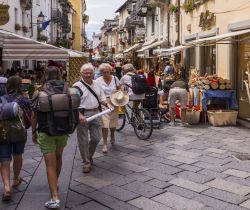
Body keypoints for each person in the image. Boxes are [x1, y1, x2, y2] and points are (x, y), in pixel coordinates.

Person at [31, 66, 69, 209]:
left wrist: (33, 131)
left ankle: (54, 197)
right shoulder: (66, 88)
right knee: (58, 158)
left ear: (45, 75)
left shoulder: (39, 91)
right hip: (63, 130)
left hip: (46, 131)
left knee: (50, 164)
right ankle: (55, 184)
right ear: (59, 75)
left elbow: (34, 114)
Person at [73, 63, 111, 173]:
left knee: (96, 138)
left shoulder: (96, 84)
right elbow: (73, 104)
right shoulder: (76, 86)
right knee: (83, 140)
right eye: (86, 73)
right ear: (81, 74)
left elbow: (101, 97)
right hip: (82, 115)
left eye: (90, 73)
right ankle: (86, 163)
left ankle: (88, 156)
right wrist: (79, 115)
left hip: (96, 113)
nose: (88, 75)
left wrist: (107, 104)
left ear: (93, 73)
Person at [0, 76, 31, 202]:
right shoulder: (24, 99)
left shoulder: (2, 98)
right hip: (19, 132)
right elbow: (29, 117)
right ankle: (16, 179)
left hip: (3, 133)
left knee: (4, 160)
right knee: (18, 155)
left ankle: (7, 188)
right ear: (20, 85)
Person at [96, 63, 120, 153]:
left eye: (107, 72)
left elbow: (119, 89)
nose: (106, 74)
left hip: (114, 102)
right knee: (104, 124)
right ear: (101, 72)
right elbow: (97, 92)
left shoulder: (115, 79)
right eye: (103, 72)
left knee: (113, 124)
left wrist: (120, 95)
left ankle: (113, 134)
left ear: (110, 71)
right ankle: (105, 144)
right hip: (103, 102)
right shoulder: (98, 81)